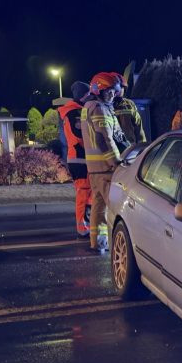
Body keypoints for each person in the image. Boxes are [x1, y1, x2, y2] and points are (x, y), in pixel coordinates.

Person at [81, 72, 124, 252]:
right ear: (98, 90)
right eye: (109, 92)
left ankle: (97, 243)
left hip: (94, 169)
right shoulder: (99, 108)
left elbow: (116, 136)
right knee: (114, 208)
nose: (113, 95)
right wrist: (116, 161)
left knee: (98, 208)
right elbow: (104, 138)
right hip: (106, 168)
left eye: (114, 91)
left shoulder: (90, 106)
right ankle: (118, 246)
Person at [57, 80, 92, 238]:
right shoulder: (74, 113)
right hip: (80, 158)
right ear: (82, 96)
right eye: (88, 94)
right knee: (83, 193)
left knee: (87, 192)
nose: (90, 97)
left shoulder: (74, 111)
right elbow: (78, 135)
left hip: (79, 158)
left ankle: (87, 224)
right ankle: (82, 227)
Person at [112, 75, 146, 152]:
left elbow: (138, 127)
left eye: (122, 88)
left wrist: (142, 148)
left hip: (130, 149)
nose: (120, 90)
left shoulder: (129, 104)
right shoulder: (106, 106)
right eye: (118, 88)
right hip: (113, 149)